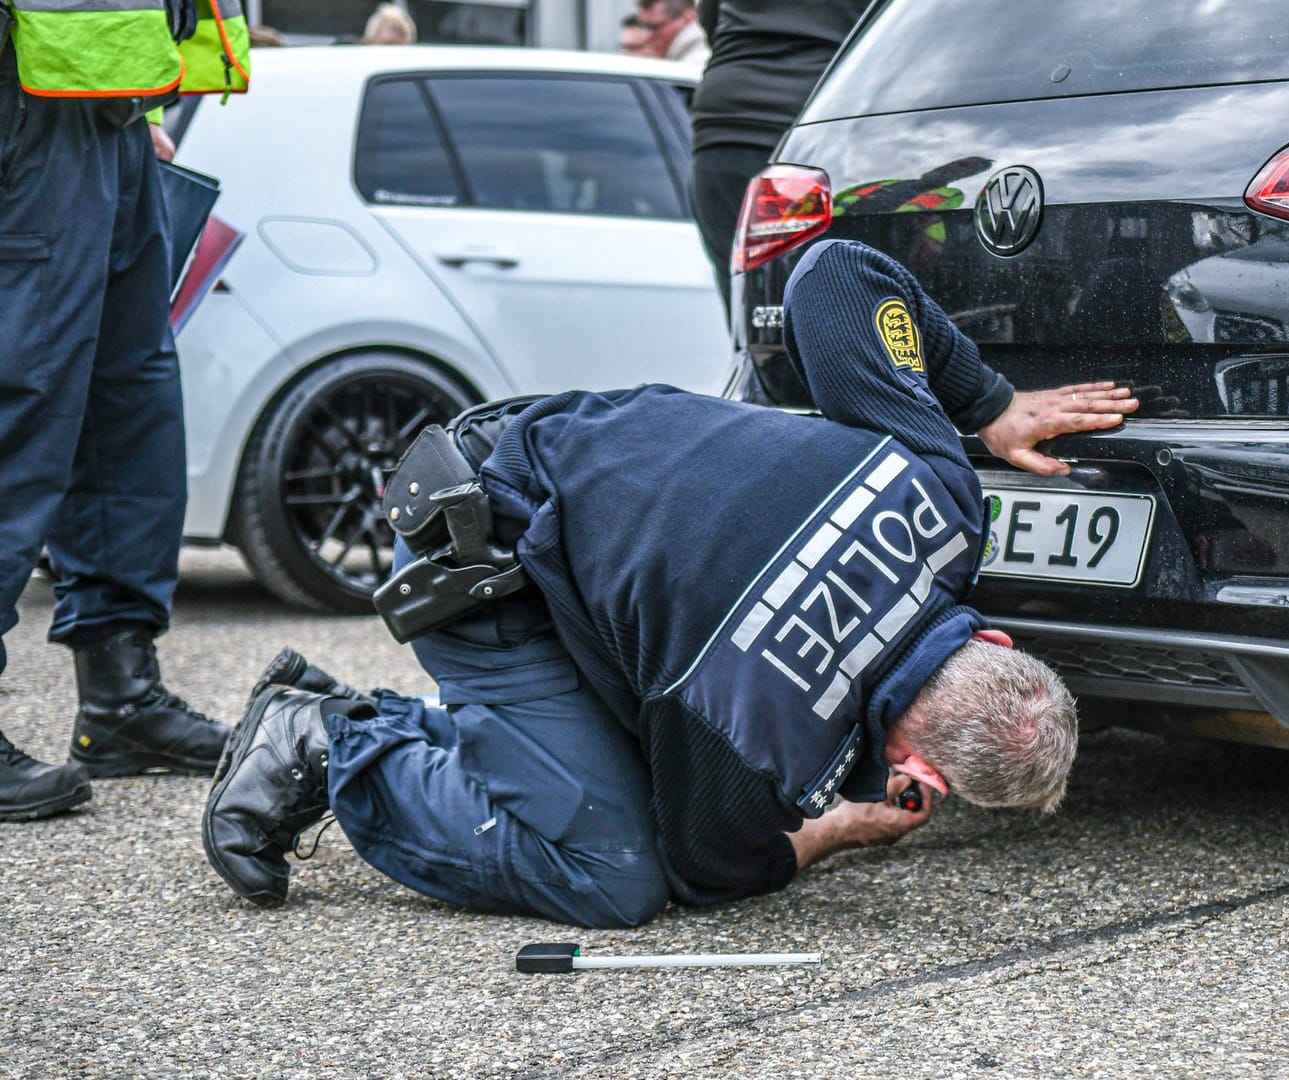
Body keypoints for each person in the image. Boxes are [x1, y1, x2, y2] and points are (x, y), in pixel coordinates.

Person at [203, 240, 1137, 926]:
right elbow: (706, 871)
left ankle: (417, 734)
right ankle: (326, 743)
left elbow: (839, 274)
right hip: (481, 565)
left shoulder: (944, 501)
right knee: (613, 872)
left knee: (638, 752)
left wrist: (988, 404)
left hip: (533, 454)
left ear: (998, 642)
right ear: (923, 772)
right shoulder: (767, 744)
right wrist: (838, 826)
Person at [0, 0, 250, 821]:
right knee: (22, 405)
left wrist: (132, 101)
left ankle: (120, 700)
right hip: (25, 97)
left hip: (101, 105)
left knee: (128, 408)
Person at [688, 0, 866, 314]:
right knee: (827, 300)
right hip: (814, 118)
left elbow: (711, 18)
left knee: (747, 303)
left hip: (724, 121)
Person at [634, 0, 709, 66]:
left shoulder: (697, 61)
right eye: (644, 27)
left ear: (688, 17)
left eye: (655, 28)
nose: (646, 37)